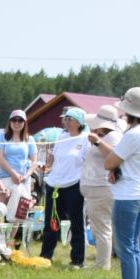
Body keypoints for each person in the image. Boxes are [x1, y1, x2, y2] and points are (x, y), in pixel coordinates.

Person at [99, 87, 140, 279]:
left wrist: (114, 167)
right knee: (133, 247)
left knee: (124, 248)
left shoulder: (133, 134)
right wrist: (117, 168)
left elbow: (109, 162)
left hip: (127, 196)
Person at [39, 107, 88, 267]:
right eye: (65, 119)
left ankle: (77, 259)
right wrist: (47, 163)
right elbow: (53, 160)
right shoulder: (61, 136)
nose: (66, 122)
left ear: (79, 122)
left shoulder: (85, 139)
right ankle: (46, 256)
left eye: (69, 119)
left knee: (76, 223)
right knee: (51, 222)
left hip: (74, 184)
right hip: (55, 184)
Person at [81, 106, 121, 269]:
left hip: (101, 187)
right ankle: (102, 262)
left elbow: (115, 156)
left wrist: (97, 142)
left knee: (101, 228)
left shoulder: (113, 137)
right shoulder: (109, 136)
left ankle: (102, 265)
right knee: (100, 227)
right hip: (95, 187)